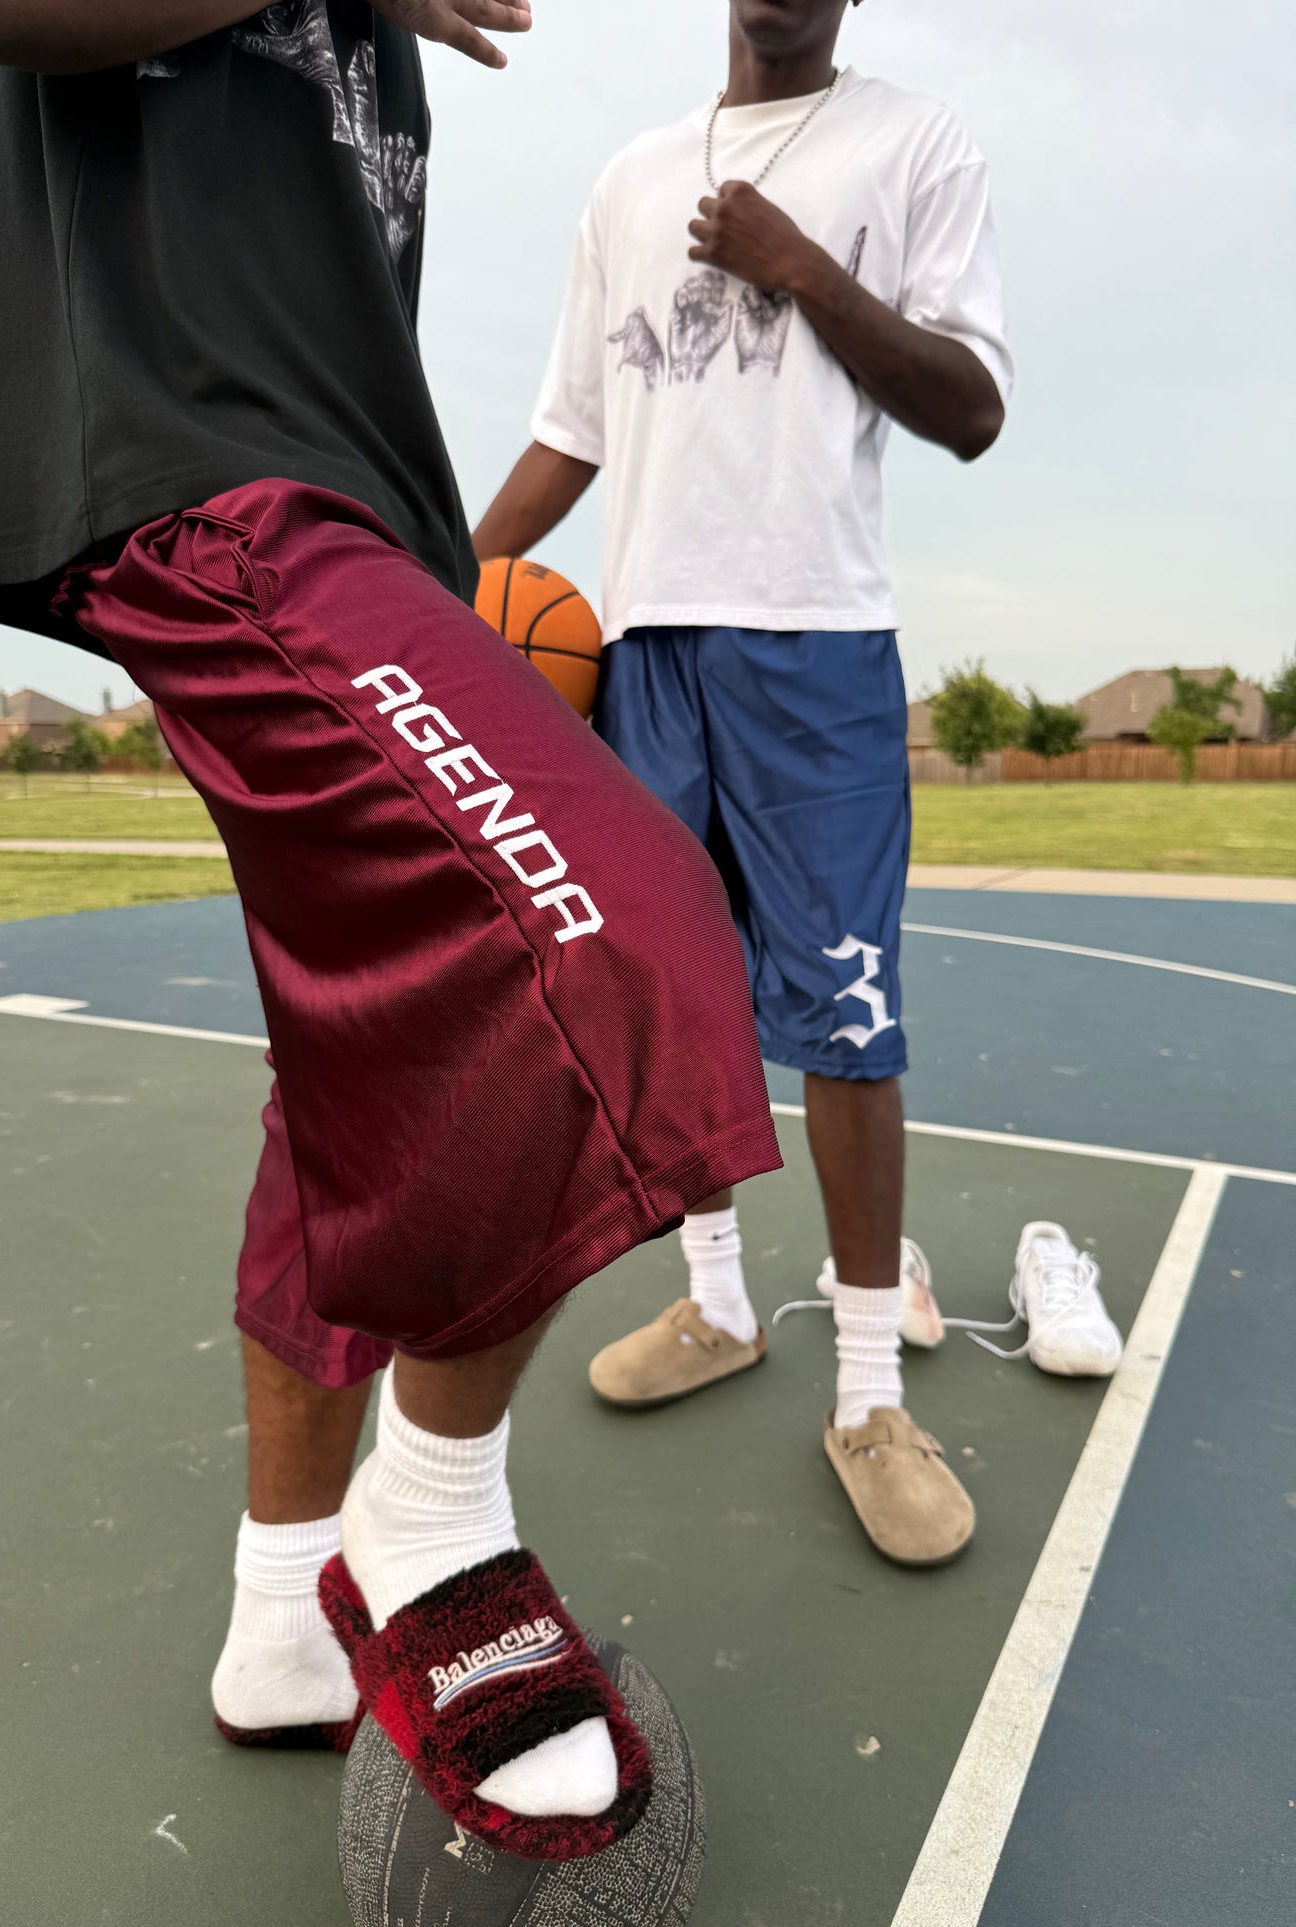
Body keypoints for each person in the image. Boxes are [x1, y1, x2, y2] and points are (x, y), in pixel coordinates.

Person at [0, 0, 782, 1858]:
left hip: (363, 505)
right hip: (203, 477)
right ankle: (433, 1513)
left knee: (357, 1077)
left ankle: (281, 1617)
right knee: (620, 946)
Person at [474, 0, 1015, 1567]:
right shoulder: (630, 178)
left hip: (814, 640)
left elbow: (971, 409)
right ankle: (716, 1303)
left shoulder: (914, 141)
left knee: (843, 1017)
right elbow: (572, 431)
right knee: (669, 1005)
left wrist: (804, 268)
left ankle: (865, 1396)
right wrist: (454, 585)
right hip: (641, 649)